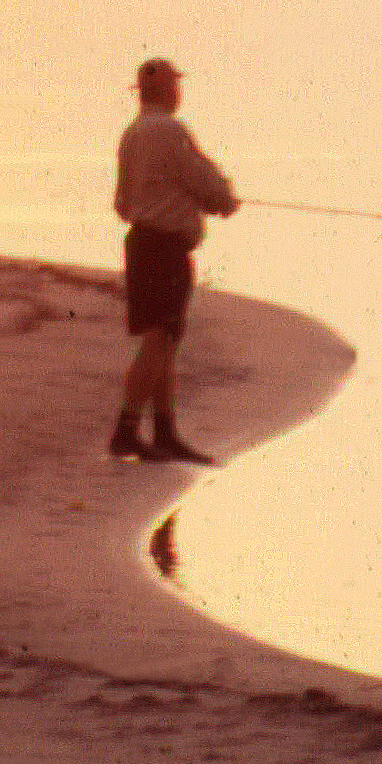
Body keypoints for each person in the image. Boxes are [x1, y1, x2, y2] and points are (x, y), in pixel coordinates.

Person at [110, 57, 238, 463]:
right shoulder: (170, 130)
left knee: (163, 337)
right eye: (176, 87)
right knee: (161, 337)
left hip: (140, 243)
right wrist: (224, 200)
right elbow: (202, 178)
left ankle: (164, 431)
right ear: (168, 92)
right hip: (165, 248)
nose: (178, 94)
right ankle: (127, 428)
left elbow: (122, 203)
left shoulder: (131, 133)